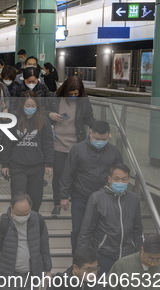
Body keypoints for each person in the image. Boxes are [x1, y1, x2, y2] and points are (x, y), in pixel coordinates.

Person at [60, 120, 122, 252]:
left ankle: (95, 261)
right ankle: (77, 260)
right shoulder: (77, 150)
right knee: (78, 229)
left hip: (105, 198)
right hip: (81, 197)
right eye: (97, 138)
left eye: (104, 139)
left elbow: (120, 173)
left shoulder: (114, 152)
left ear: (109, 136)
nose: (100, 141)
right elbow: (68, 174)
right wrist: (64, 196)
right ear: (90, 133)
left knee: (101, 230)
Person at [77, 163, 143, 274]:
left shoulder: (133, 199)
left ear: (128, 180)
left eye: (124, 179)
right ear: (109, 179)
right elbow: (86, 230)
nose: (120, 182)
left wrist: (138, 252)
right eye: (116, 179)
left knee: (125, 289)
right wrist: (83, 257)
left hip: (128, 255)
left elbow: (138, 229)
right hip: (104, 254)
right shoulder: (97, 198)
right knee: (103, 288)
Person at [49, 76, 96, 218]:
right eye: (71, 94)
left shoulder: (84, 102)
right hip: (57, 143)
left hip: (76, 144)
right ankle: (57, 202)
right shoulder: (55, 99)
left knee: (75, 174)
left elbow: (89, 118)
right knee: (59, 174)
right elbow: (42, 112)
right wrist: (49, 114)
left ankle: (72, 199)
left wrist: (99, 129)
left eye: (77, 94)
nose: (74, 96)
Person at [0, 92, 54, 212]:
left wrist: (49, 163)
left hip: (37, 165)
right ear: (22, 105)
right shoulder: (14, 119)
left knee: (36, 197)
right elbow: (7, 142)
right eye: (27, 105)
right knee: (18, 195)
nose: (30, 108)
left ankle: (33, 221)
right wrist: (4, 163)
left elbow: (48, 143)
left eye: (32, 106)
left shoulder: (43, 121)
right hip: (17, 165)